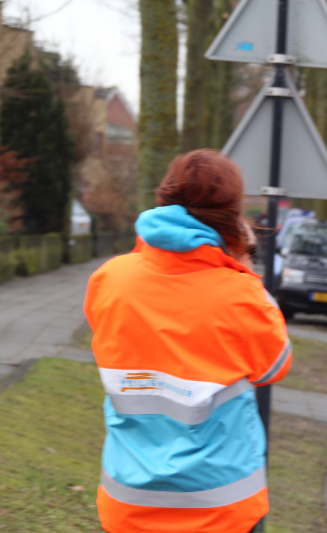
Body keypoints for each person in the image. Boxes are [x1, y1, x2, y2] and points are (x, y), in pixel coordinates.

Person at [84, 149, 292, 533]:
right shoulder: (240, 292)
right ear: (232, 215)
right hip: (223, 509)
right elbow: (274, 365)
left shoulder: (110, 279)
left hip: (130, 503)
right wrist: (240, 265)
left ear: (163, 198)